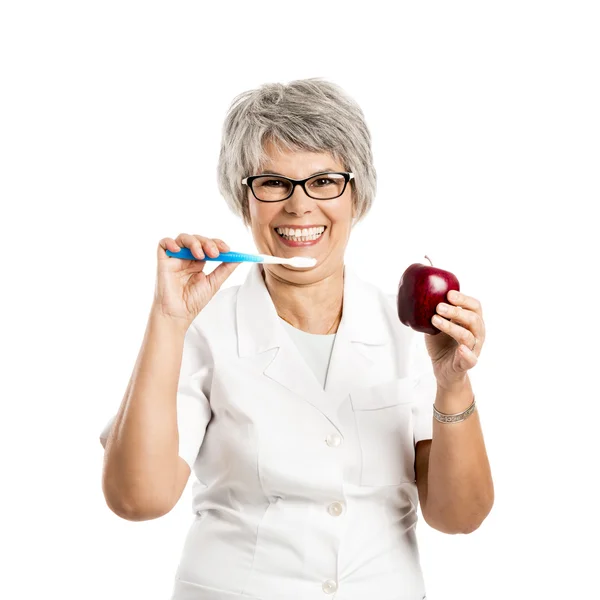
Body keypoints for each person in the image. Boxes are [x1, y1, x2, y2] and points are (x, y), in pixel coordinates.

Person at [99, 78, 493, 600]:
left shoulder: (410, 329)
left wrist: (453, 386)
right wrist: (168, 319)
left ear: (357, 193)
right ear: (244, 199)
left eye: (325, 181)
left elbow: (458, 517)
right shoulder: (202, 326)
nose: (299, 206)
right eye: (272, 183)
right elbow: (137, 499)